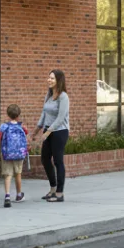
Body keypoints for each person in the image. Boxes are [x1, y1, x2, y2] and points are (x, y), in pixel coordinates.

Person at [33, 69, 70, 202]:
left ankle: (60, 193)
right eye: (49, 78)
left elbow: (61, 118)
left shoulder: (63, 97)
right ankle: (53, 189)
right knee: (45, 159)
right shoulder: (48, 95)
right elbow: (44, 114)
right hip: (48, 131)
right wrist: (36, 130)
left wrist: (48, 132)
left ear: (59, 80)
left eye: (52, 78)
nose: (49, 80)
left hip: (60, 132)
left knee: (58, 161)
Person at [0, 104, 28, 207]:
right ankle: (19, 195)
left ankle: (7, 196)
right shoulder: (21, 127)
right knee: (18, 173)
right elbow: (26, 135)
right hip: (19, 153)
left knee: (8, 175)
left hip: (7, 153)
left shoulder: (4, 126)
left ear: (8, 114)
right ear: (18, 114)